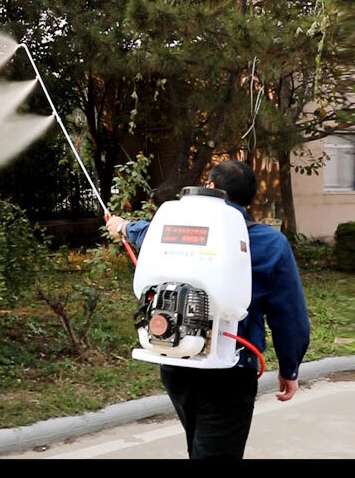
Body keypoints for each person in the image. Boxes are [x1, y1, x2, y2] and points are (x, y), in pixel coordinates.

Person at [106, 160, 310, 460]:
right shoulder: (270, 243)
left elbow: (143, 232)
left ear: (211, 189)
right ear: (247, 198)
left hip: (176, 363)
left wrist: (121, 226)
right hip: (230, 371)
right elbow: (289, 316)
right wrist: (290, 367)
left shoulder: (175, 232)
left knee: (202, 446)